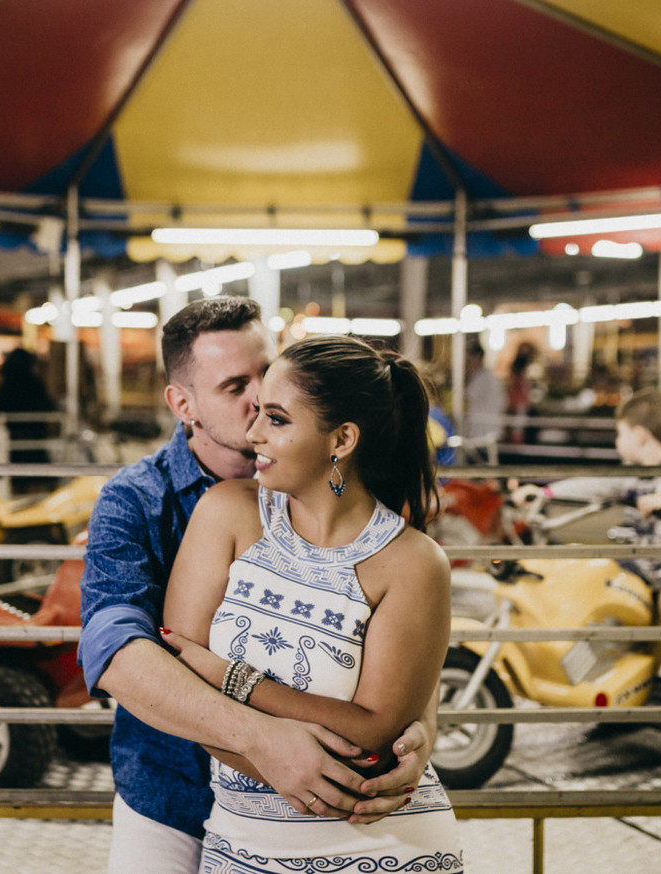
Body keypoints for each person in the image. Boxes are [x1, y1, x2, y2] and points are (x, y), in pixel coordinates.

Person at [78, 298, 435, 874]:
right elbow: (115, 651)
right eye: (233, 386)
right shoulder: (137, 499)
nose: (258, 399)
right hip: (171, 791)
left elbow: (403, 636)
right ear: (183, 404)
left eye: (265, 373)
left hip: (343, 811)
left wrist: (419, 725)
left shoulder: (352, 495)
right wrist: (260, 741)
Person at [160, 334, 461, 871]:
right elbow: (179, 687)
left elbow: (372, 732)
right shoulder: (227, 512)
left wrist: (232, 679)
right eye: (258, 413)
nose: (252, 433)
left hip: (384, 845)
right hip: (242, 847)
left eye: (276, 419)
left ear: (341, 439)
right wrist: (278, 754)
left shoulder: (415, 563)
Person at [510, 388, 661, 721]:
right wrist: (546, 492)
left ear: (640, 435)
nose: (617, 442)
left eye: (620, 434)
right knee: (596, 576)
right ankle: (605, 667)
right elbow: (596, 485)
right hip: (641, 561)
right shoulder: (633, 472)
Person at [0, 347, 56, 493]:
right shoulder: (35, 384)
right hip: (35, 441)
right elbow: (48, 406)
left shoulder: (5, 386)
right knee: (35, 480)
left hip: (13, 442)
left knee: (16, 481)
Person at [462, 339, 505, 451]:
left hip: (483, 432)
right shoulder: (488, 377)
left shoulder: (483, 378)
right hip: (487, 430)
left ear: (477, 357)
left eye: (469, 360)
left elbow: (467, 397)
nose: (467, 364)